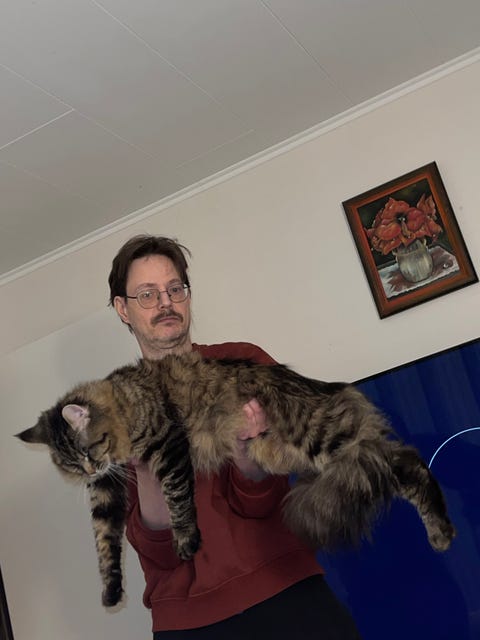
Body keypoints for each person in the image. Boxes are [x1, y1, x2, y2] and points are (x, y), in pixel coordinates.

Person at [108, 234, 361, 639]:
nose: (165, 303)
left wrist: (247, 452)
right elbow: (159, 549)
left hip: (284, 588)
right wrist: (146, 468)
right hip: (188, 620)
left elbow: (267, 497)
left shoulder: (244, 360)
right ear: (123, 308)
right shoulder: (117, 406)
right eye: (147, 294)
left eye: (175, 289)